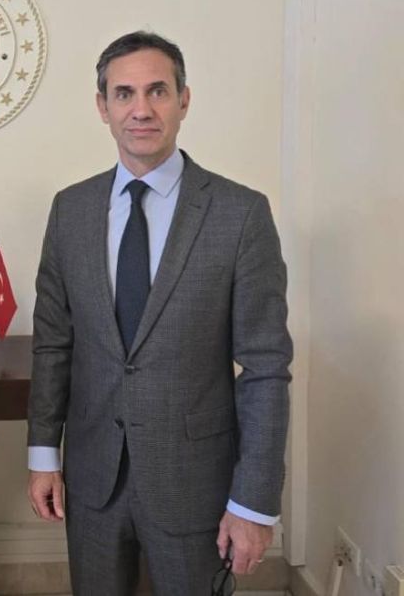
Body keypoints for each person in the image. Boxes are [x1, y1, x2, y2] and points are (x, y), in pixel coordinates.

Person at [27, 31, 292, 595]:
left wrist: (253, 501)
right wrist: (44, 455)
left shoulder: (240, 214)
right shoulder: (70, 210)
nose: (141, 109)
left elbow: (266, 369)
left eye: (158, 91)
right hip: (93, 482)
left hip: (195, 484)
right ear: (102, 107)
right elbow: (54, 344)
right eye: (124, 94)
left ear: (184, 100)